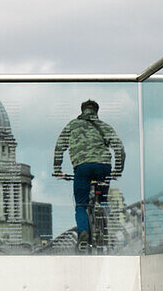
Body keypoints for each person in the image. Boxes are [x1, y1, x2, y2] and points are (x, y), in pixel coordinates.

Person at [52, 99, 125, 247]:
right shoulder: (104, 126)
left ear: (82, 110)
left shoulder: (72, 126)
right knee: (103, 199)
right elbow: (119, 149)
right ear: (96, 112)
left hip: (82, 167)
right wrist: (117, 170)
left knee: (81, 204)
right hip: (103, 167)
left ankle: (84, 232)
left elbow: (59, 147)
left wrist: (58, 169)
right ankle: (106, 229)